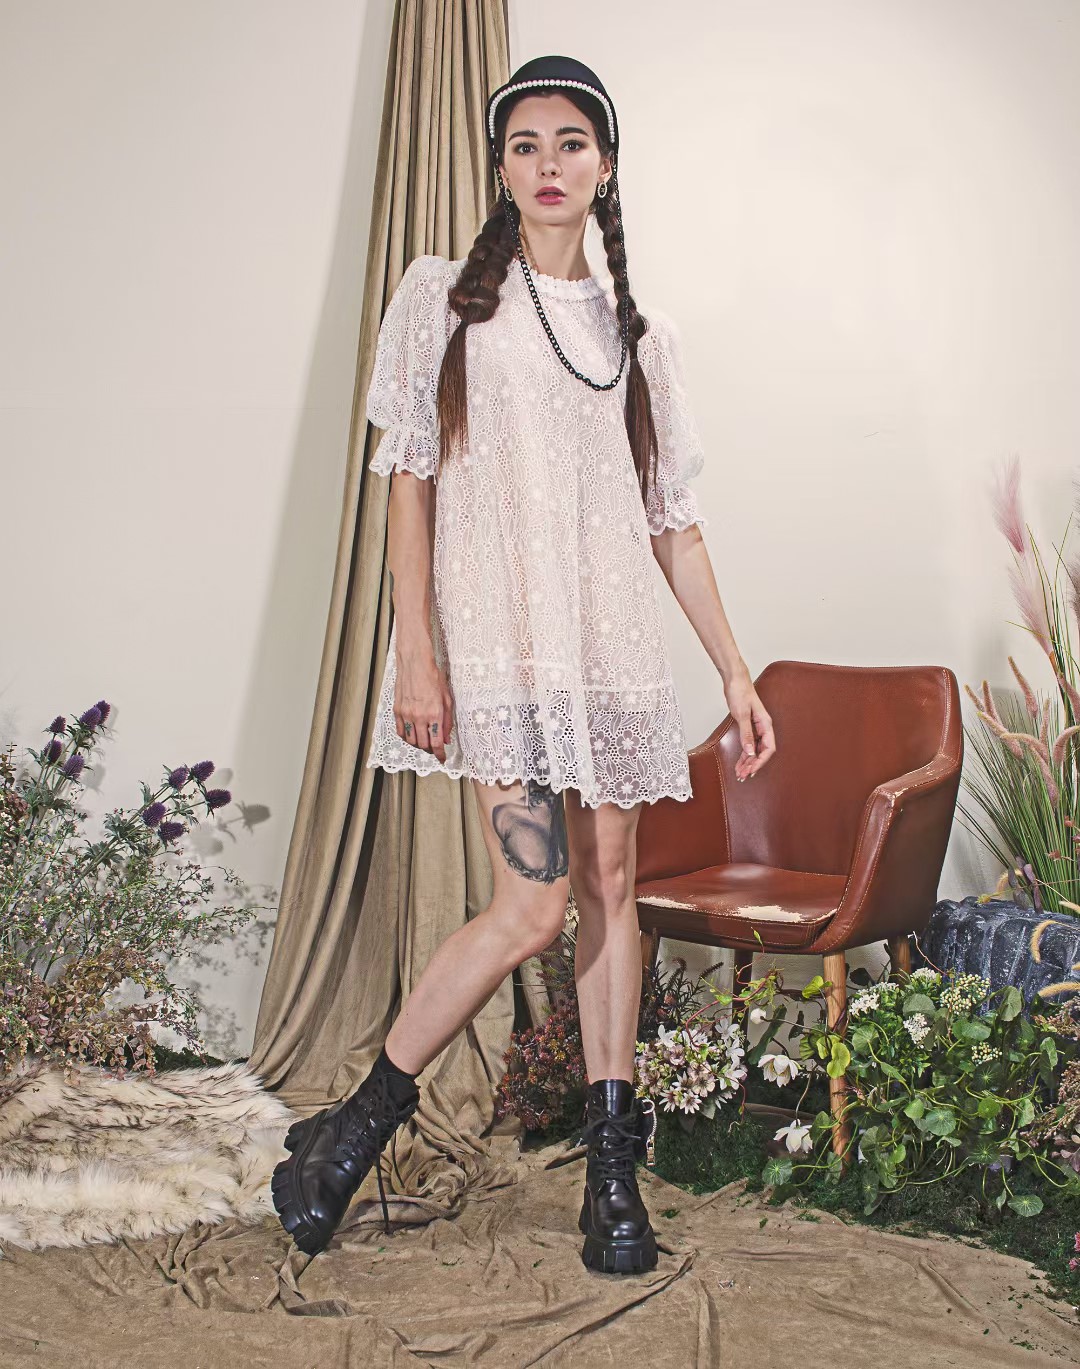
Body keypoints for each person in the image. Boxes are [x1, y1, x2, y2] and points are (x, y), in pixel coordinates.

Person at [272, 54, 776, 1275]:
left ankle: (612, 1176)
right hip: (500, 657)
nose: (548, 165)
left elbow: (672, 523)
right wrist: (417, 649)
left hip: (609, 661)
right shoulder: (444, 300)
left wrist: (734, 670)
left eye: (570, 144)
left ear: (604, 166)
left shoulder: (637, 339)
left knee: (609, 888)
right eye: (524, 145)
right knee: (531, 905)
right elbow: (409, 479)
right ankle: (354, 1132)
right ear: (500, 168)